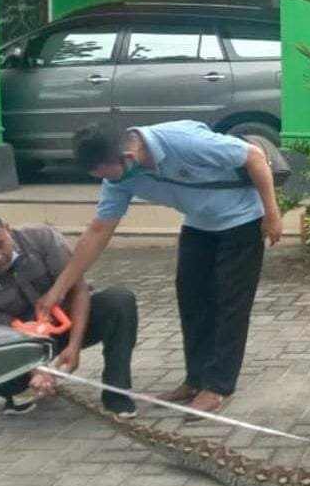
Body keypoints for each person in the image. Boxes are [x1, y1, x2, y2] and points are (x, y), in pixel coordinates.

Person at [36, 120, 282, 417]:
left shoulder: (181, 141)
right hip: (198, 224)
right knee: (191, 300)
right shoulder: (117, 178)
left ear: (128, 155)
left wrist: (272, 213)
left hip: (241, 220)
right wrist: (57, 290)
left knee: (230, 304)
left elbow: (253, 157)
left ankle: (218, 385)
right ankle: (195, 379)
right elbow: (99, 230)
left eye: (108, 174)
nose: (110, 182)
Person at [0, 209, 138, 418]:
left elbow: (79, 289)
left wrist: (74, 347)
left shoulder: (41, 237)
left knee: (119, 301)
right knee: (1, 376)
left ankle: (117, 393)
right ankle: (18, 392)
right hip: (17, 340)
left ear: (6, 229)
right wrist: (36, 368)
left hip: (66, 322)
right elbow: (0, 332)